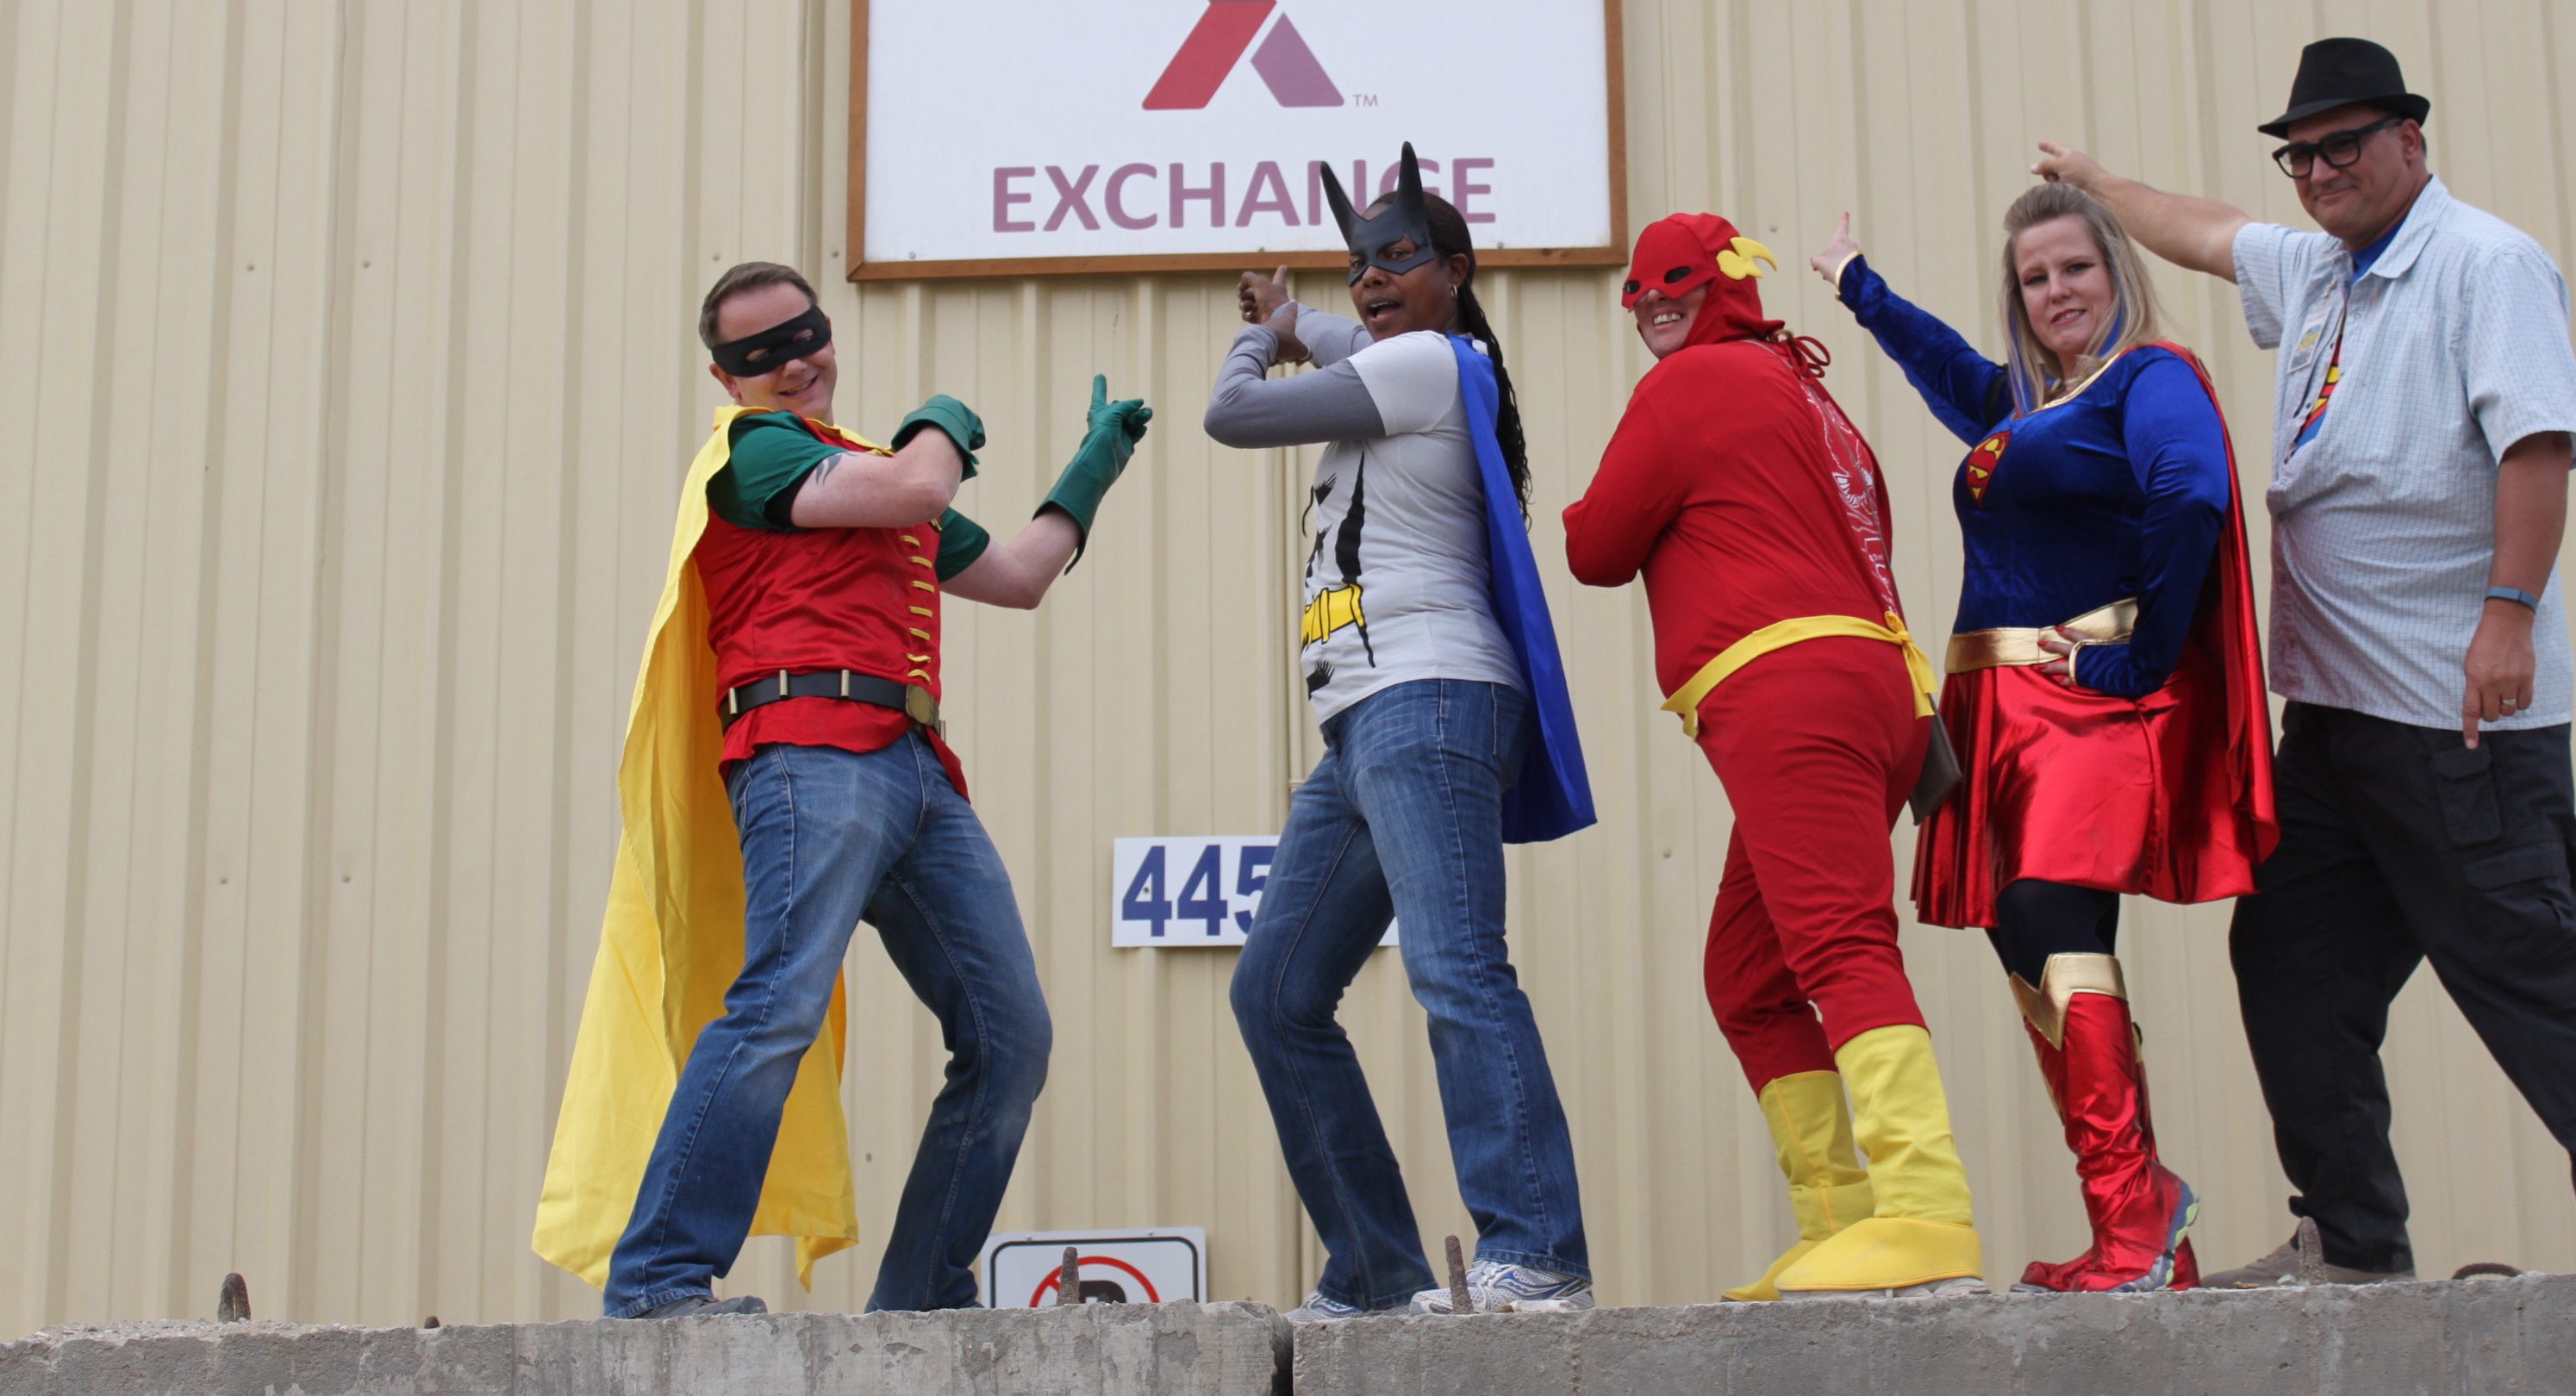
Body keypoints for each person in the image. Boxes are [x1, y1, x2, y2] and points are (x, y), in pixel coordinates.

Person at [2033, 35, 2576, 1283]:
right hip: (2334, 721)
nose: (2321, 169)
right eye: (2302, 152)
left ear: (2412, 140)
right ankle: (2350, 1239)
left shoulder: (2481, 264)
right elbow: (2207, 229)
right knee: (2289, 958)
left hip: (2454, 710)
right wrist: (2096, 183)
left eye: (2347, 142)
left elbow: (2537, 446)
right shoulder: (2324, 268)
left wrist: (2507, 613)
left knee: (2526, 959)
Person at [534, 261, 1151, 1317]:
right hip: (805, 749)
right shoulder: (757, 452)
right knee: (777, 1000)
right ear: (726, 379)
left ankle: (920, 1295)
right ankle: (657, 1280)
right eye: (755, 355)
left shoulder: (861, 472)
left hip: (917, 773)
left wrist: (1089, 470)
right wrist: (941, 419)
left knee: (1011, 1038)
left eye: (801, 334)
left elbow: (1016, 575)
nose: (789, 363)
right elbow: (921, 485)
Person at [1818, 190, 2277, 1293]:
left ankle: (2135, 1218)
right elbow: (1962, 382)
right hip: (2003, 715)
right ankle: (2137, 1221)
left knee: (2050, 921)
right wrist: (1861, 293)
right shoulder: (2034, 406)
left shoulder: (2149, 378)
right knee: (2029, 945)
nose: (2057, 292)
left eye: (2075, 268)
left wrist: (2140, 659)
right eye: (2035, 278)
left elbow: (2192, 494)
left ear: (2115, 269)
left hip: (2082, 705)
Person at [1562, 212, 1986, 1302]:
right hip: (1871, 698)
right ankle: (1843, 1223)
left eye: (1677, 284)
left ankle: (1924, 1208)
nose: (1654, 303)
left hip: (1787, 694)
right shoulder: (1810, 393)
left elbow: (1597, 547)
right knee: (1749, 976)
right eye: (1641, 290)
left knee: (1838, 941)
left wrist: (1571, 505)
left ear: (1722, 287)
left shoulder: (1693, 387)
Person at [1205, 144, 1596, 1322]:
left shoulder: (1428, 360)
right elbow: (1340, 339)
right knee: (1275, 993)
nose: (1374, 278)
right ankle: (1376, 1266)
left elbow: (1233, 415)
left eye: (1399, 259)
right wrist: (1296, 313)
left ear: (1454, 273)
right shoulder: (1407, 354)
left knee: (1457, 967)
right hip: (1367, 722)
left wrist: (1255, 341)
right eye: (1359, 264)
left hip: (1428, 699)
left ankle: (1539, 1248)